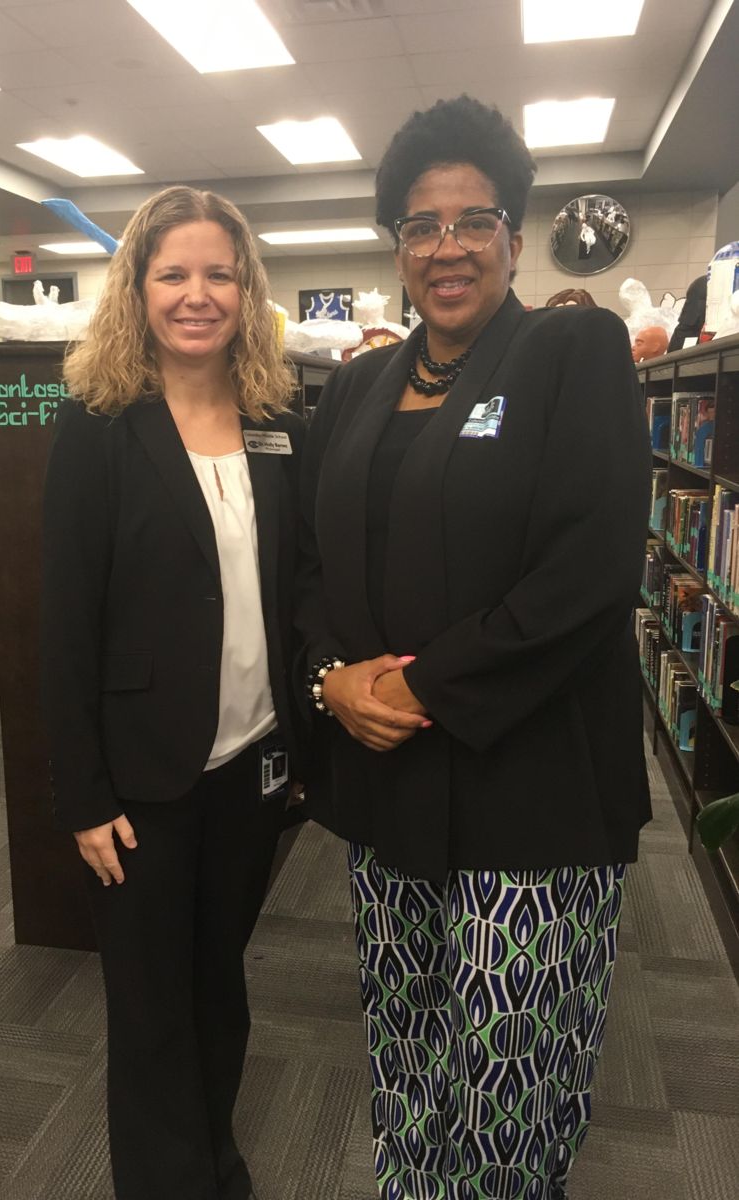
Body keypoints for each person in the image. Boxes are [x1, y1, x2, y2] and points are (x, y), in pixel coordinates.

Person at [296, 95, 652, 1200]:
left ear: (512, 232)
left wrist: (417, 688)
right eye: (419, 223)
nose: (444, 245)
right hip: (388, 782)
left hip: (528, 785)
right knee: (405, 1047)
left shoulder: (570, 349)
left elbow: (589, 568)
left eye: (471, 219)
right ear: (396, 246)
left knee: (507, 1070)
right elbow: (307, 558)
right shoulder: (358, 383)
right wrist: (332, 678)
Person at [42, 185, 303, 1200]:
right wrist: (82, 795)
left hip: (250, 765)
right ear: (138, 288)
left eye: (219, 274)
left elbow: (297, 582)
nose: (198, 295)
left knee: (219, 987)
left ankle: (215, 1163)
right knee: (150, 1008)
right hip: (140, 781)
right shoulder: (98, 426)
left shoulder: (279, 421)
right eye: (174, 275)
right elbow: (64, 623)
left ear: (246, 288)